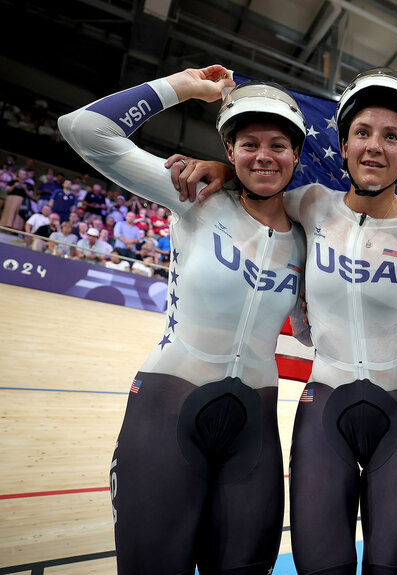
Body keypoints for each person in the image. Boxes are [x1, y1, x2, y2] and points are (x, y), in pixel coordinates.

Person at [172, 67, 397, 575]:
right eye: (363, 133)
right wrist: (227, 167)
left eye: (392, 137)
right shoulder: (312, 205)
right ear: (343, 145)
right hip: (324, 406)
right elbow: (263, 182)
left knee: (391, 567)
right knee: (321, 566)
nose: (374, 147)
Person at [59, 64, 308, 575]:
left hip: (255, 423)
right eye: (249, 144)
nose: (264, 155)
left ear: (297, 155)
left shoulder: (310, 234)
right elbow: (83, 129)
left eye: (278, 145)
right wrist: (185, 87)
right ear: (229, 152)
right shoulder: (194, 195)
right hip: (168, 405)